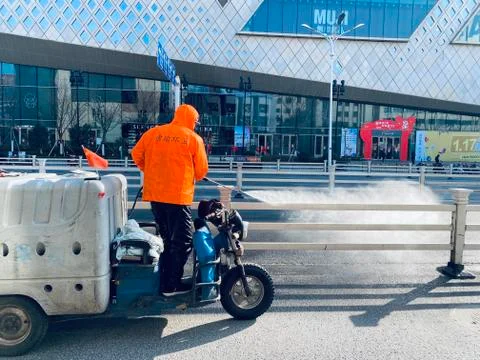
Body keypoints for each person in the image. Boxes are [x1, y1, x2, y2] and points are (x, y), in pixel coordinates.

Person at [132, 104, 208, 296]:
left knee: (166, 239)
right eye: (196, 122)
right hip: (177, 197)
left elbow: (136, 155)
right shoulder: (193, 139)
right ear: (192, 120)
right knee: (183, 242)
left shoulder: (154, 133)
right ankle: (172, 285)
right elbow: (201, 171)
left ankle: (163, 280)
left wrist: (151, 170)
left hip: (155, 196)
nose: (196, 125)